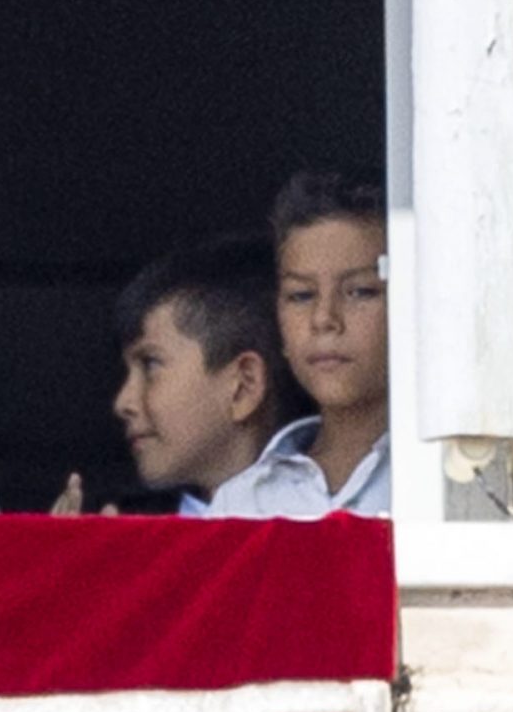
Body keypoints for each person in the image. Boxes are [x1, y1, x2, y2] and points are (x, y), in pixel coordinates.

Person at [208, 169, 392, 518]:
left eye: (360, 291)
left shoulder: (444, 485)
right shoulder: (243, 504)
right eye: (301, 295)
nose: (324, 318)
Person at [108, 237, 288, 517]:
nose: (123, 402)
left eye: (150, 364)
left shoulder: (326, 527)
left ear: (243, 386)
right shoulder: (127, 532)